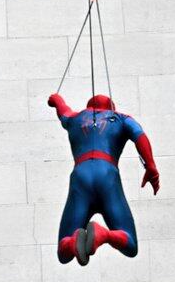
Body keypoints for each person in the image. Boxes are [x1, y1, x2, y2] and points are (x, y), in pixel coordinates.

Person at [47, 93, 160, 266]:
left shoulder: (75, 118)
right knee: (130, 244)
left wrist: (55, 99)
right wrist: (150, 166)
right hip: (107, 175)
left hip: (80, 176)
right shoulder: (121, 118)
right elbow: (140, 136)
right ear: (111, 107)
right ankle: (104, 234)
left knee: (64, 252)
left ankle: (72, 242)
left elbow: (62, 109)